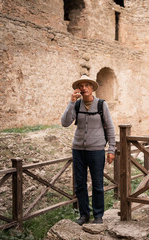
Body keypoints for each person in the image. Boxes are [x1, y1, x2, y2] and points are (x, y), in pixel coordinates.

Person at [61, 75, 116, 225]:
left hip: (97, 150)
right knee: (80, 184)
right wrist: (71, 103)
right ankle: (84, 215)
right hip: (78, 149)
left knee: (98, 184)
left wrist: (112, 149)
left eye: (87, 85)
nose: (84, 88)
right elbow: (65, 123)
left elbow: (110, 127)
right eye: (81, 85)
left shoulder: (101, 105)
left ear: (92, 88)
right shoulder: (77, 105)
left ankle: (98, 215)